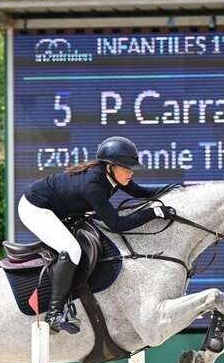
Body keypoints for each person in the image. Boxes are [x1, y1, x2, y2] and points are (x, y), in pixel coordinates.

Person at [19, 136, 176, 333]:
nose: (131, 171)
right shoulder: (94, 185)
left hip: (56, 208)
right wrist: (155, 212)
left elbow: (140, 193)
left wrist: (174, 189)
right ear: (110, 166)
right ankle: (54, 313)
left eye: (131, 167)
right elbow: (117, 224)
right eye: (126, 167)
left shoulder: (113, 176)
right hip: (35, 208)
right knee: (71, 250)